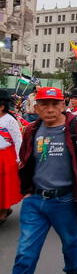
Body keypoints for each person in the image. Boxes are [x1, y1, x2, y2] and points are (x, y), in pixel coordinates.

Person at [3, 86, 77, 274]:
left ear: (63, 105)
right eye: (44, 104)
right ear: (36, 107)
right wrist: (26, 191)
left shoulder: (76, 127)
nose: (50, 109)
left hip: (64, 200)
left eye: (55, 104)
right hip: (35, 201)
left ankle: (74, 271)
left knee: (70, 241)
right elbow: (25, 161)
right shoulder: (30, 130)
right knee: (25, 255)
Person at [0, 90, 22, 225]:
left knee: (5, 185)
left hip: (6, 157)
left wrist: (20, 158)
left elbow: (18, 140)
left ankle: (4, 210)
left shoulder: (10, 120)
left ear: (2, 106)